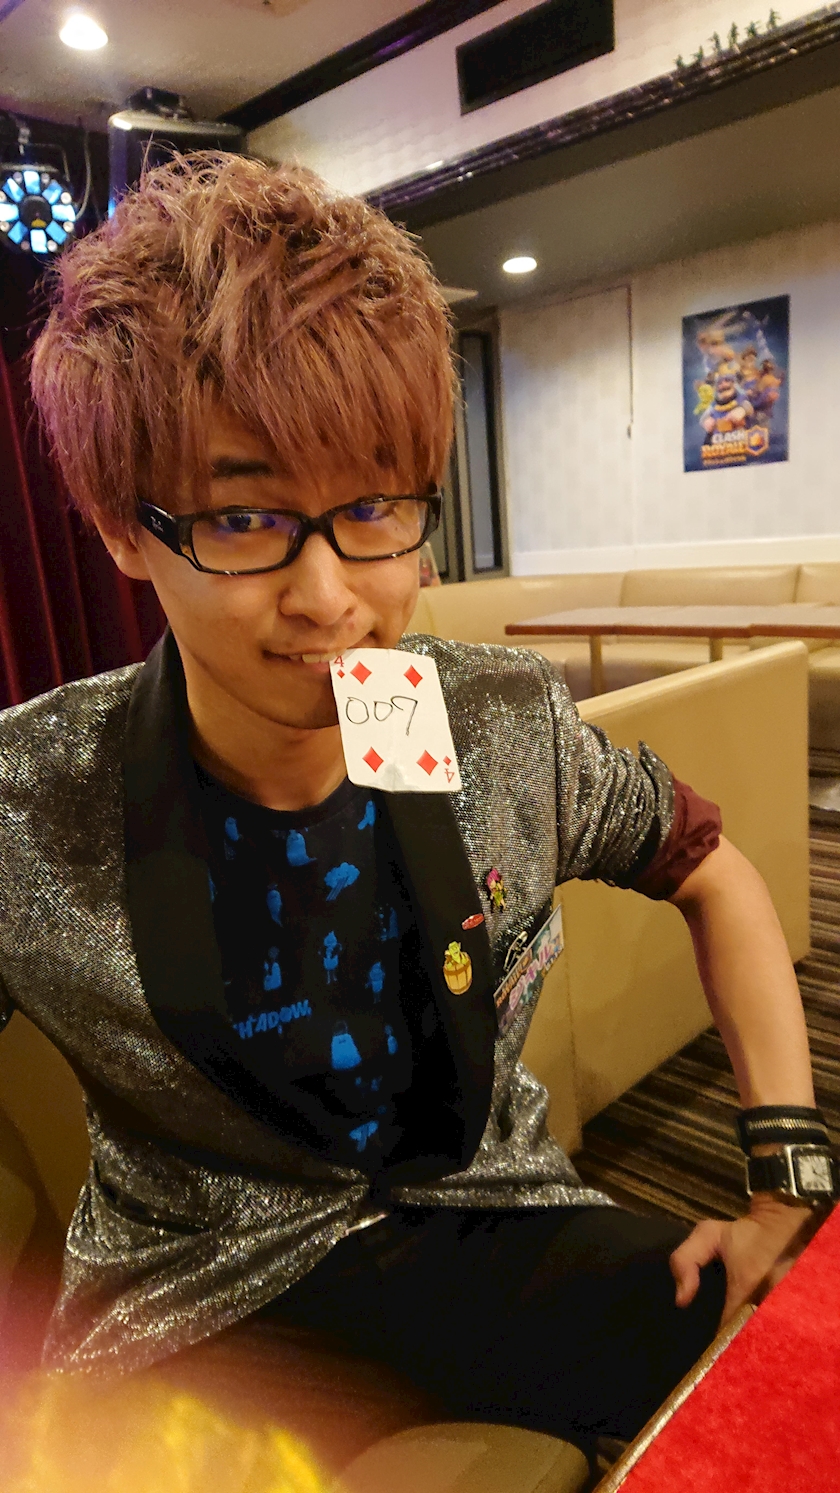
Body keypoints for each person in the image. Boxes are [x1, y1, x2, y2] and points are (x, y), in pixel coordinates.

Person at [6, 153, 832, 1468]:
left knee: (785, 1385)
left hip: (489, 1214)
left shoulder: (487, 720)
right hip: (200, 1302)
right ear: (120, 526)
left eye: (373, 509)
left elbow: (709, 866)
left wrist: (786, 1177)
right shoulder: (35, 795)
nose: (331, 596)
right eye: (244, 517)